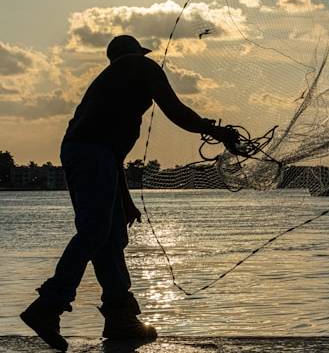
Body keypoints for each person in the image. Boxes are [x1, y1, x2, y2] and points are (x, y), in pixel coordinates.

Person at [20, 35, 239, 351]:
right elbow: (175, 110)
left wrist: (125, 202)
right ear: (133, 54)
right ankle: (48, 306)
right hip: (91, 155)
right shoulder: (139, 65)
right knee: (95, 231)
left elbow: (112, 155)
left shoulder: (113, 83)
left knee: (110, 236)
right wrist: (214, 130)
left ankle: (120, 319)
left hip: (91, 156)